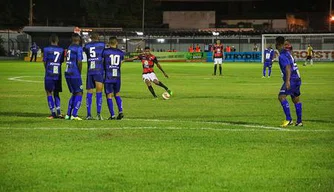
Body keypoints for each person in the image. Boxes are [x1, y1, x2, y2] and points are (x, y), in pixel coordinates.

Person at [275, 36, 303, 127]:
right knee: (295, 99)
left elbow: (288, 68)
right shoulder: (287, 53)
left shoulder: (283, 55)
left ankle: (289, 119)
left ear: (278, 44)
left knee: (281, 97)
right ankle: (299, 122)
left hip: (291, 79)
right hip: (297, 78)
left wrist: (287, 81)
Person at [83, 32, 105, 120]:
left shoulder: (87, 45)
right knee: (99, 92)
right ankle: (98, 114)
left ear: (91, 37)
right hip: (99, 70)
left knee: (89, 92)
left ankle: (88, 114)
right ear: (98, 37)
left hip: (90, 71)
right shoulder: (102, 45)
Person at [102, 37, 125, 120]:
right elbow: (120, 63)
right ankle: (120, 111)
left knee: (109, 95)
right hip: (117, 76)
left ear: (109, 43)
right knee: (117, 94)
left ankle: (112, 115)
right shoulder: (120, 52)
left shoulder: (105, 51)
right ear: (117, 43)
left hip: (108, 76)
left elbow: (102, 62)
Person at [43, 34, 64, 119]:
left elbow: (44, 61)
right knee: (56, 92)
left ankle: (53, 113)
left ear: (50, 40)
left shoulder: (46, 49)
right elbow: (61, 61)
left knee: (49, 92)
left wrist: (47, 68)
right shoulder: (61, 50)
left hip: (49, 73)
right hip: (58, 73)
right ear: (57, 40)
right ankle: (59, 112)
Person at [64, 33, 84, 120]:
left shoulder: (69, 47)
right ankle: (74, 115)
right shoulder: (78, 48)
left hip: (67, 72)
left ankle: (68, 114)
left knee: (74, 93)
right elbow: (79, 61)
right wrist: (79, 72)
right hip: (74, 72)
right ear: (78, 40)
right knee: (80, 92)